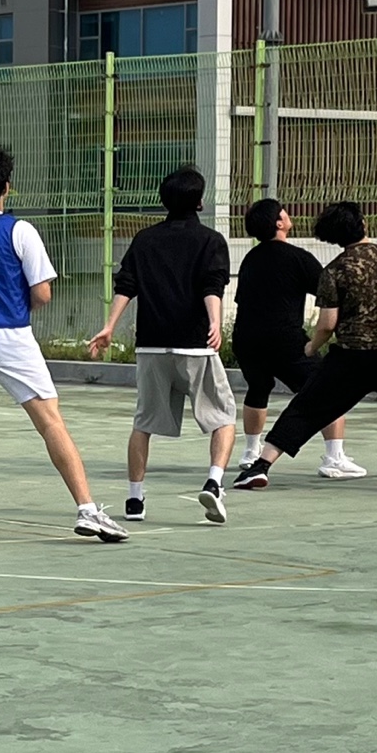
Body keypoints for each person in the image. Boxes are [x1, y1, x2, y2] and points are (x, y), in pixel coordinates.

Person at [0, 142, 127, 543]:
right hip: (10, 337)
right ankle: (87, 510)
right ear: (7, 186)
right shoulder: (20, 231)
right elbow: (43, 293)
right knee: (51, 422)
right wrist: (17, 303)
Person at [232, 201, 377, 490]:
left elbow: (327, 323)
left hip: (349, 355)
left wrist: (313, 345)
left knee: (308, 406)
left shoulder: (335, 270)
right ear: (363, 224)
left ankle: (261, 464)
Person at [88, 164, 238, 526]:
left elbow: (126, 285)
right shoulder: (210, 241)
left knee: (143, 423)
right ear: (200, 202)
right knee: (224, 417)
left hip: (151, 346)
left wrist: (109, 326)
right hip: (195, 346)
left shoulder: (145, 240)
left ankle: (134, 499)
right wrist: (215, 322)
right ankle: (214, 483)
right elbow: (212, 286)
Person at [232, 198, 365, 481]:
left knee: (258, 389)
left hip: (245, 337)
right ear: (279, 223)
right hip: (285, 338)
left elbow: (242, 299)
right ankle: (334, 457)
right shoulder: (297, 257)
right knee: (326, 390)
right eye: (283, 211)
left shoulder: (250, 259)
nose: (287, 213)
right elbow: (328, 293)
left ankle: (250, 452)